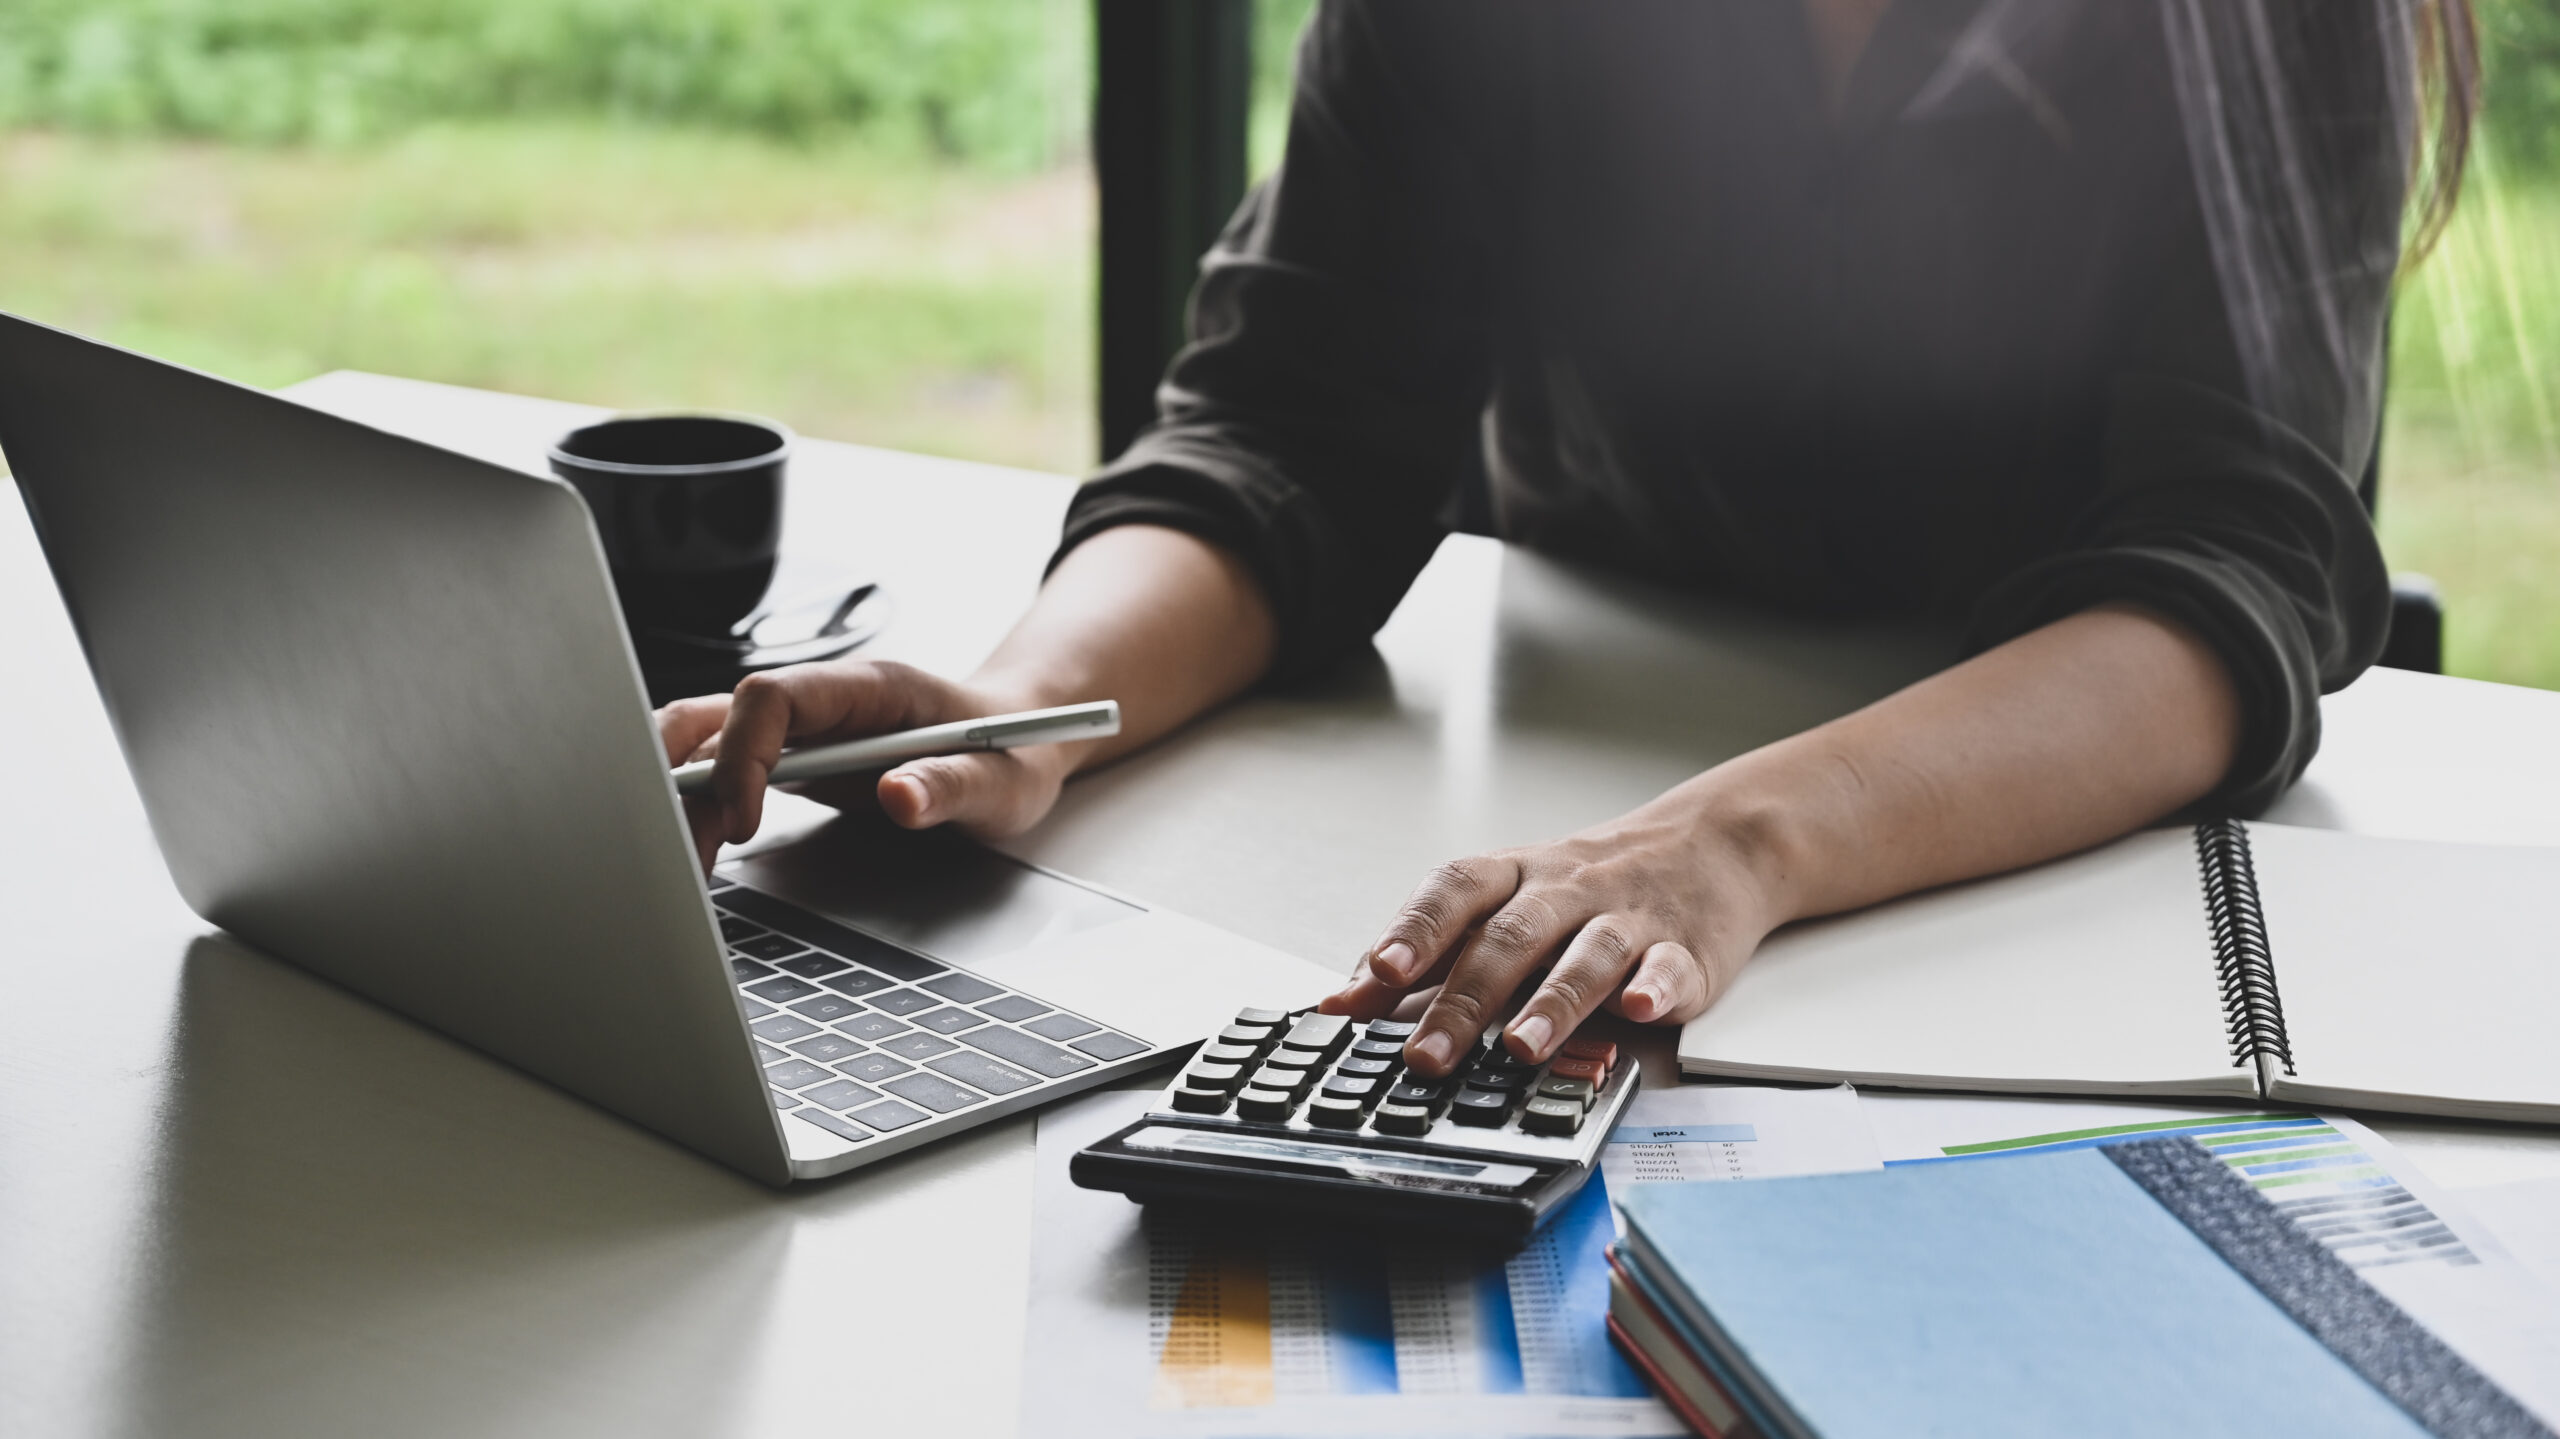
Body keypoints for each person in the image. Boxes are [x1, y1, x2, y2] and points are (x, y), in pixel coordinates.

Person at [660, 0, 2478, 1080]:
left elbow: (2223, 575)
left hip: (2061, 904)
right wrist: (1022, 705)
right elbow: (1294, 426)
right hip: (1582, 812)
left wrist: (1734, 842)